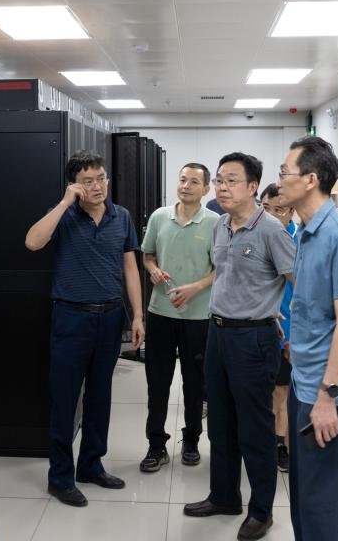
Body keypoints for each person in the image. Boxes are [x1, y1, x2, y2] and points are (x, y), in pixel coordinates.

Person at [183, 153, 296, 541]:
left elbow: (299, 282)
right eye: (219, 180)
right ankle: (224, 496)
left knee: (255, 428)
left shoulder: (272, 231)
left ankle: (261, 511)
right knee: (219, 423)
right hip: (218, 333)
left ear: (252, 187)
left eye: (231, 181)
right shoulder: (220, 225)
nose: (222, 187)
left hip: (253, 338)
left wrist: (290, 328)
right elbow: (222, 274)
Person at [24, 150, 146, 508]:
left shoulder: (121, 216)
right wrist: (65, 202)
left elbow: (130, 268)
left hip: (110, 317)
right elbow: (32, 242)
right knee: (65, 399)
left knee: (99, 395)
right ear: (74, 184)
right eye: (88, 181)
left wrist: (138, 316)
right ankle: (60, 477)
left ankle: (91, 465)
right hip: (72, 317)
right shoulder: (63, 215)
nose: (97, 186)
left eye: (101, 178)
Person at [276, 136, 338, 541]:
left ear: (311, 180)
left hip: (328, 393)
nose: (279, 181)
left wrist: (328, 396)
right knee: (307, 496)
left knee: (328, 503)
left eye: (285, 173)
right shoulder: (304, 231)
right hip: (304, 382)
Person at [139, 163, 219, 472]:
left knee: (195, 384)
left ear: (206, 189)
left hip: (198, 316)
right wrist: (153, 269)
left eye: (194, 182)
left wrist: (195, 287)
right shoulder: (160, 217)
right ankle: (156, 445)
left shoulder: (215, 223)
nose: (186, 185)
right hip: (161, 312)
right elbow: (147, 255)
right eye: (183, 179)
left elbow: (221, 268)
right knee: (157, 383)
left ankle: (191, 441)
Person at [260, 183, 297, 473]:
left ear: (292, 212)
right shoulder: (254, 236)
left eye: (279, 210)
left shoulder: (299, 241)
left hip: (287, 331)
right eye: (266, 209)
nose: (272, 215)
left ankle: (280, 446)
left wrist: (291, 338)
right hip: (256, 328)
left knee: (281, 393)